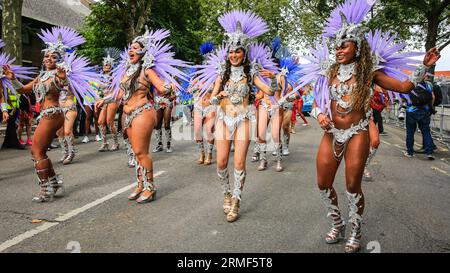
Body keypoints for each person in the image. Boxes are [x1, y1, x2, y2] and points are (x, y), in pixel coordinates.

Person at [298, 0, 440, 252]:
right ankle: (337, 222)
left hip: (356, 133)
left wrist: (425, 65)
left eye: (345, 45)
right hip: (332, 133)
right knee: (323, 183)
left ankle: (355, 228)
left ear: (357, 47)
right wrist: (319, 114)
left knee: (353, 185)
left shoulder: (369, 73)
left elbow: (405, 87)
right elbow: (317, 100)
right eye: (337, 46)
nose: (339, 50)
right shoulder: (329, 71)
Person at [192, 10, 279, 222]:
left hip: (244, 119)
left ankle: (237, 200)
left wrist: (274, 79)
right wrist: (218, 96)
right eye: (231, 52)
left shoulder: (251, 73)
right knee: (221, 163)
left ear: (244, 52)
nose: (233, 55)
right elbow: (212, 98)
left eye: (237, 51)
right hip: (224, 119)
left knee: (238, 163)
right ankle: (226, 194)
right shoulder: (222, 73)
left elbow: (269, 92)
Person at [4, 26, 99, 202]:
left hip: (53, 114)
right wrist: (13, 79)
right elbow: (23, 90)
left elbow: (62, 84)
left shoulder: (57, 74)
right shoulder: (42, 76)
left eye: (53, 57)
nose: (48, 58)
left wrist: (62, 77)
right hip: (48, 115)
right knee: (39, 152)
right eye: (47, 55)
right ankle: (54, 183)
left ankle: (46, 189)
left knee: (36, 151)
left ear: (59, 60)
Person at [96, 27, 187, 204]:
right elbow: (119, 94)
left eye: (136, 47)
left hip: (142, 112)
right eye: (130, 47)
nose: (131, 50)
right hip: (127, 114)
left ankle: (150, 187)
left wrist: (170, 86)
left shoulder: (147, 70)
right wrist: (105, 100)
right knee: (133, 152)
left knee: (141, 151)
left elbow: (161, 88)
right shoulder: (126, 71)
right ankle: (140, 184)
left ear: (143, 51)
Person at [192, 42, 216, 165]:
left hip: (210, 106)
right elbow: (189, 89)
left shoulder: (216, 76)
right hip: (198, 106)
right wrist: (194, 87)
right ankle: (201, 153)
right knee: (197, 131)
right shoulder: (197, 76)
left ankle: (210, 153)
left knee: (209, 130)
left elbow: (219, 90)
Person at [404, 79, 435, 160]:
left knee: (410, 132)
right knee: (426, 131)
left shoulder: (410, 84)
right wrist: (430, 108)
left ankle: (410, 152)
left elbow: (405, 98)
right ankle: (429, 153)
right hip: (424, 111)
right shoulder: (428, 85)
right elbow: (432, 97)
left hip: (411, 111)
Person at [97, 48, 121, 152]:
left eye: (107, 65)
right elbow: (100, 91)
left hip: (112, 100)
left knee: (109, 122)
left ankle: (116, 142)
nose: (105, 66)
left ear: (111, 66)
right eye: (104, 64)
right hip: (104, 101)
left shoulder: (116, 77)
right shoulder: (101, 77)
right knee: (100, 121)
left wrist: (104, 99)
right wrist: (99, 98)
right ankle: (104, 143)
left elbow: (116, 92)